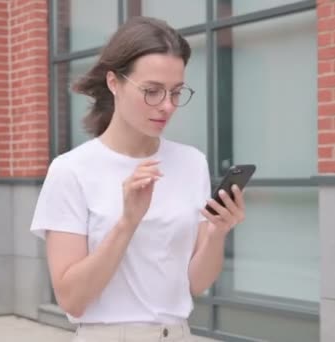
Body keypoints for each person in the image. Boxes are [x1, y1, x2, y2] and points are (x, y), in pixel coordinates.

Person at [30, 16, 246, 342]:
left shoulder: (191, 163)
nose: (167, 106)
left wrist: (217, 234)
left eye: (176, 92)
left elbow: (194, 284)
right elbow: (71, 298)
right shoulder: (71, 170)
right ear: (114, 83)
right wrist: (127, 222)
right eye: (152, 91)